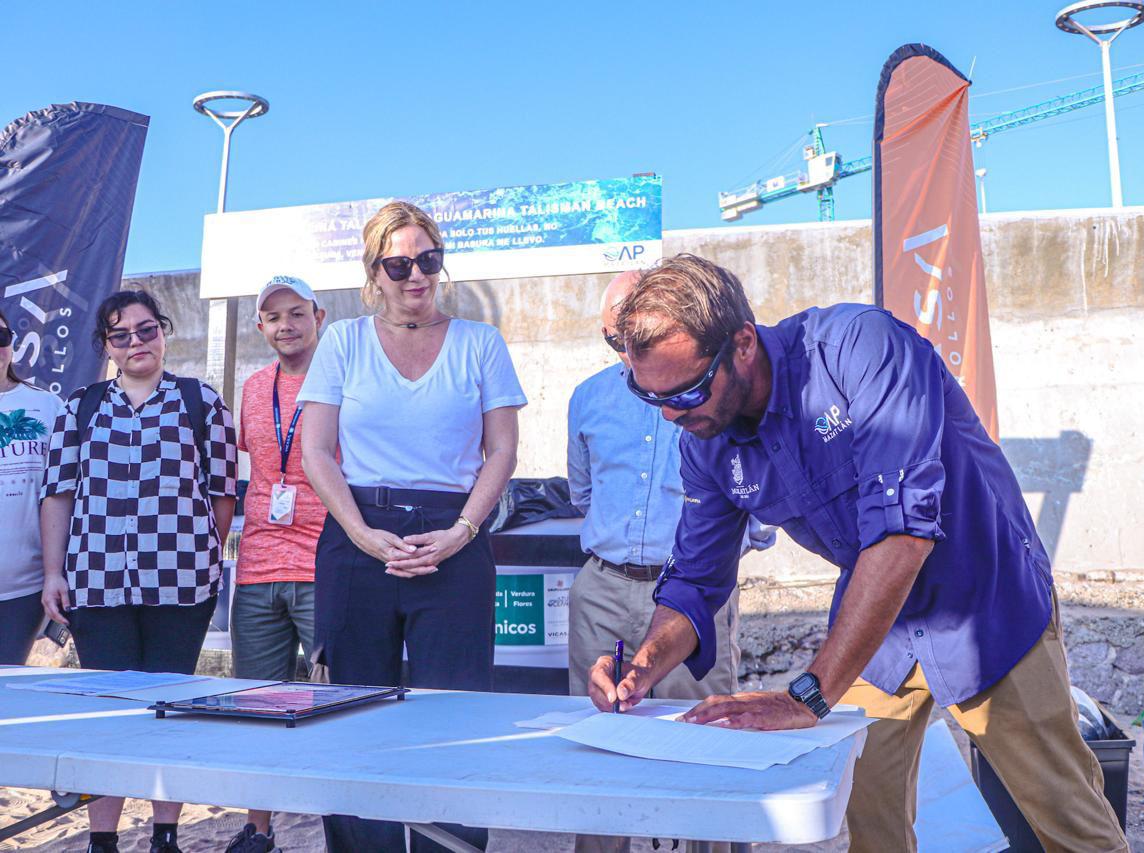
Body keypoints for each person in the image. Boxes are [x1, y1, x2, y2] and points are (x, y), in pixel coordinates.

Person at [588, 254, 1128, 853]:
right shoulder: (706, 441)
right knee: (870, 824)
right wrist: (643, 666)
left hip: (986, 602)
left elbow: (902, 533)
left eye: (687, 391)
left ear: (742, 344)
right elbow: (695, 577)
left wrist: (809, 694)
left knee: (1066, 818)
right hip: (878, 631)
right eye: (650, 396)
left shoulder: (861, 350)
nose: (671, 413)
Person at [298, 200, 526, 853]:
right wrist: (362, 534)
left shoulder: (480, 343)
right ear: (374, 271)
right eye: (398, 264)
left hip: (453, 536)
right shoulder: (343, 341)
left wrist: (463, 530)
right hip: (358, 536)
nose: (416, 274)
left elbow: (502, 450)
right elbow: (316, 451)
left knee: (455, 718)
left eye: (428, 259)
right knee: (352, 715)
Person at [567, 271, 774, 853]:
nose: (630, 355)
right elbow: (583, 493)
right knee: (599, 748)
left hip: (694, 594)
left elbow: (754, 507)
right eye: (617, 342)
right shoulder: (588, 397)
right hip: (604, 588)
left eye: (640, 338)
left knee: (705, 744)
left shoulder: (717, 392)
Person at [40, 290, 238, 853]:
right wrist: (54, 572)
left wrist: (202, 552)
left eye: (146, 329)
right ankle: (102, 839)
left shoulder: (201, 401)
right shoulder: (81, 406)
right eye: (121, 335)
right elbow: (58, 494)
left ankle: (164, 835)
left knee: (168, 712)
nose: (136, 343)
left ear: (163, 332)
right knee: (106, 717)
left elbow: (222, 492)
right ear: (106, 346)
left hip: (180, 586)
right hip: (96, 584)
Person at [222, 276, 328, 853]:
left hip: (324, 564)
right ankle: (258, 830)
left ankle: (343, 826)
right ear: (261, 326)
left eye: (296, 313)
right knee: (258, 707)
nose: (285, 325)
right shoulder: (253, 387)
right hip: (258, 566)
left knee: (335, 704)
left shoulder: (343, 379)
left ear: (318, 316)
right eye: (273, 316)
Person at [0, 307, 62, 665]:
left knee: (6, 686)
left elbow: (67, 494)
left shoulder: (48, 406)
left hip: (25, 589)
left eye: (0, 337)